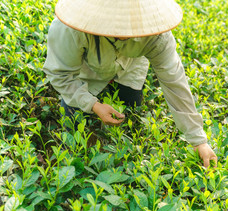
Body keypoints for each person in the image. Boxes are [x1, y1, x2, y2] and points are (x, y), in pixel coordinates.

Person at [43, 0, 217, 167]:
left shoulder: (156, 35)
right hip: (86, 72)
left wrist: (198, 140)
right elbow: (61, 74)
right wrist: (93, 105)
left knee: (130, 114)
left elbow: (174, 81)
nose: (125, 33)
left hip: (129, 68)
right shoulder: (70, 29)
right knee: (75, 131)